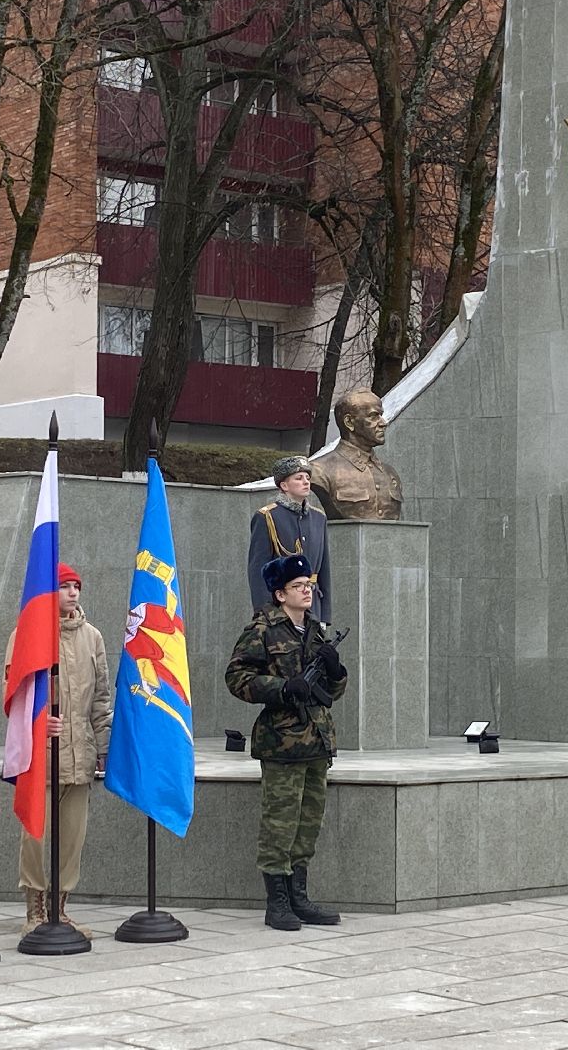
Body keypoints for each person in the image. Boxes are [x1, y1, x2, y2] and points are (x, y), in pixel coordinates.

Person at [226, 554, 348, 931]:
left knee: (308, 823)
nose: (306, 591)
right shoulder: (262, 629)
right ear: (280, 593)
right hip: (281, 742)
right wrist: (281, 688)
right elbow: (236, 677)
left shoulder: (315, 630)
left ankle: (299, 895)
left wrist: (336, 671)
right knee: (280, 823)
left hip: (317, 741)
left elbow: (332, 690)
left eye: (308, 585)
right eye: (298, 586)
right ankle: (276, 901)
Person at [4, 562, 112, 939]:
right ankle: (34, 909)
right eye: (65, 586)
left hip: (78, 752)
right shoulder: (27, 634)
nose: (72, 593)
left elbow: (101, 697)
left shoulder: (92, 637)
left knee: (72, 837)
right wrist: (36, 727)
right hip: (41, 755)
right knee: (35, 832)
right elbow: (16, 695)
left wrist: (104, 746)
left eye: (76, 586)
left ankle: (60, 908)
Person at [247, 455, 332, 623]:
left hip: (312, 606)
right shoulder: (268, 516)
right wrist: (265, 612)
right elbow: (258, 570)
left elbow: (324, 570)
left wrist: (325, 615)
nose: (306, 482)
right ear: (284, 485)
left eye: (307, 478)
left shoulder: (318, 518)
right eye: (299, 478)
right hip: (281, 606)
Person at [309, 389, 403, 520]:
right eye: (374, 416)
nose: (383, 423)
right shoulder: (319, 471)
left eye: (381, 415)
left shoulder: (390, 473)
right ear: (349, 422)